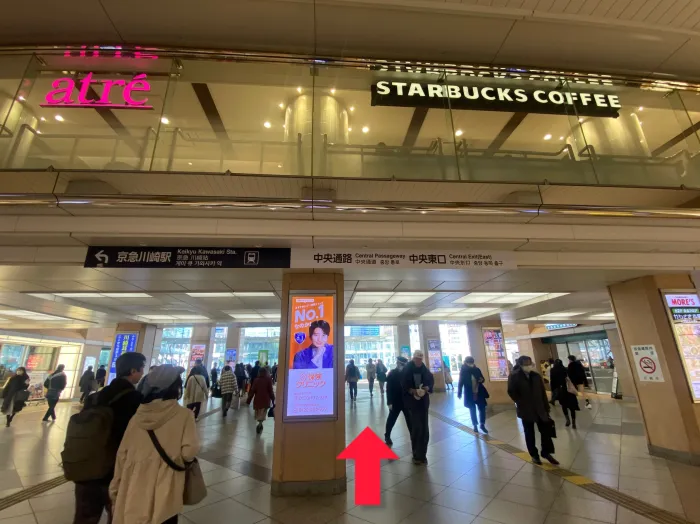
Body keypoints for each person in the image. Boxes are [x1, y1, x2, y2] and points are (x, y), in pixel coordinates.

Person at [109, 365, 199, 524]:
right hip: (166, 481)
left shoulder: (138, 415)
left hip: (134, 481)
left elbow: (122, 454)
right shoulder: (184, 415)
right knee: (164, 514)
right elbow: (189, 452)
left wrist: (115, 487)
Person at [73, 352, 145, 524]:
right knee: (117, 515)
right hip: (115, 468)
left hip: (87, 465)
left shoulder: (96, 397)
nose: (142, 373)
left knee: (84, 516)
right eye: (141, 369)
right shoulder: (135, 399)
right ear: (133, 371)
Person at [508, 355, 559, 466]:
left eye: (529, 364)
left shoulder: (536, 376)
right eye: (526, 364)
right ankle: (534, 455)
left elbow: (542, 392)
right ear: (520, 365)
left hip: (540, 408)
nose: (528, 366)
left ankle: (546, 452)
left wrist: (546, 407)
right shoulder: (514, 376)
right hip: (526, 410)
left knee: (545, 432)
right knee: (529, 433)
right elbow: (511, 391)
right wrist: (520, 402)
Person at [402, 351, 434, 465]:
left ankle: (423, 455)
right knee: (417, 429)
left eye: (420, 359)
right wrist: (412, 391)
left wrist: (427, 388)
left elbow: (431, 382)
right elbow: (404, 385)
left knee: (424, 430)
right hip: (412, 404)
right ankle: (416, 455)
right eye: (417, 359)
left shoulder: (425, 370)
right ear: (413, 359)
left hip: (423, 404)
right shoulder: (407, 370)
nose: (418, 361)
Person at [458, 356, 490, 434]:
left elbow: (482, 378)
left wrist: (481, 380)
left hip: (479, 392)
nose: (471, 364)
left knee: (482, 408)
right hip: (469, 393)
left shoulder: (477, 369)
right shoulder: (464, 371)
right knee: (472, 409)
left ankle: (482, 424)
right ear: (466, 363)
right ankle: (475, 425)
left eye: (472, 362)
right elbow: (461, 382)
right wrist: (459, 392)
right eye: (469, 363)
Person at [384, 357, 412, 446]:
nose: (403, 366)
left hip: (406, 401)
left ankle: (413, 437)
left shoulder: (407, 373)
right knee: (391, 420)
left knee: (410, 421)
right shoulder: (392, 374)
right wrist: (389, 402)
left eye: (404, 365)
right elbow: (388, 389)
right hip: (395, 401)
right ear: (398, 363)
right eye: (402, 364)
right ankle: (387, 436)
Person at [550, 359, 579, 428]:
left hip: (561, 392)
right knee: (572, 407)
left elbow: (552, 382)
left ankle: (567, 420)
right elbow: (571, 379)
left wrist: (553, 391)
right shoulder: (565, 369)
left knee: (564, 406)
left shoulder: (553, 370)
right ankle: (574, 422)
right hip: (569, 391)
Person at [247, 367, 275, 434]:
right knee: (263, 413)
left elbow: (252, 391)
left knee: (258, 413)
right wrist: (273, 399)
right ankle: (260, 424)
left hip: (257, 400)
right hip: (265, 400)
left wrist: (248, 400)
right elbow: (270, 391)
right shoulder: (268, 379)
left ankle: (260, 423)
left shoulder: (256, 380)